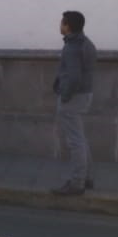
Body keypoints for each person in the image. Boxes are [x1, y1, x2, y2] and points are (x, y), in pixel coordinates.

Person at [51, 10, 98, 195]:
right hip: (84, 94)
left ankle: (77, 182)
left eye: (62, 22)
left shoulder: (72, 47)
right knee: (80, 138)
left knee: (75, 141)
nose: (60, 25)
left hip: (73, 97)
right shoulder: (86, 43)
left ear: (68, 26)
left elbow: (74, 77)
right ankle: (87, 178)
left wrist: (65, 95)